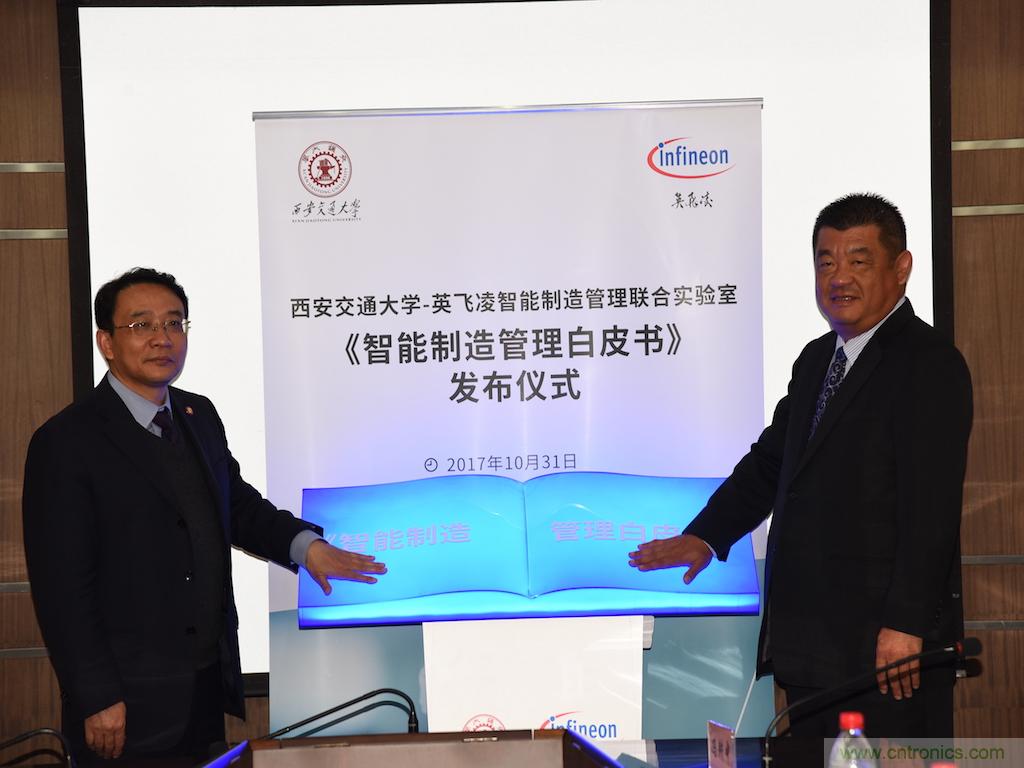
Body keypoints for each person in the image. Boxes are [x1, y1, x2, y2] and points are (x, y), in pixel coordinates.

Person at [629, 193, 972, 740]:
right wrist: (707, 535)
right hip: (814, 647)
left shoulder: (928, 363)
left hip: (886, 652)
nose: (839, 277)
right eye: (826, 261)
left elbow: (931, 509)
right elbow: (772, 463)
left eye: (859, 261)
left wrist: (906, 624)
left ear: (901, 267)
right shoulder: (817, 359)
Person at [22, 268, 386, 765]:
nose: (162, 338)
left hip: (202, 688)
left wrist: (306, 547)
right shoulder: (66, 441)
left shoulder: (198, 415)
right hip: (124, 701)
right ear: (106, 342)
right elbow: (62, 588)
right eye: (141, 325)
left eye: (174, 323)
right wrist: (96, 695)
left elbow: (236, 504)